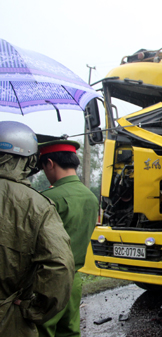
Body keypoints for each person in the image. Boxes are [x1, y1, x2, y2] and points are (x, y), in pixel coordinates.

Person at [0, 121, 75, 337]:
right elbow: (60, 265)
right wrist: (33, 310)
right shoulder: (37, 204)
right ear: (30, 160)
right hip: (10, 320)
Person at [36, 140, 99, 337]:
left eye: (43, 167)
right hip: (74, 278)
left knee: (42, 330)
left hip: (46, 282)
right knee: (70, 332)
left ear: (50, 163)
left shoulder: (47, 198)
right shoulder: (90, 197)